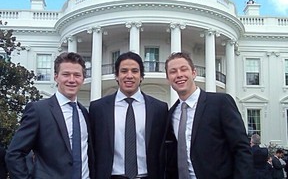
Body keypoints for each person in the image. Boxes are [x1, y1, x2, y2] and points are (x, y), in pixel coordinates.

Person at [164, 52, 254, 179]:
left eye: (184, 69)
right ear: (168, 79)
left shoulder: (220, 103)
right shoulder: (171, 114)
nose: (179, 75)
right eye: (173, 71)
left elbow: (242, 149)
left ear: (194, 73)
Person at [5, 52, 95, 179]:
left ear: (83, 79)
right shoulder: (38, 110)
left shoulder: (84, 113)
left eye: (77, 75)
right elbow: (14, 153)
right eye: (66, 74)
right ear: (56, 77)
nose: (71, 79)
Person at [89, 51, 168, 179]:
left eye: (135, 71)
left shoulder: (159, 109)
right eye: (124, 71)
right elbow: (92, 149)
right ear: (116, 76)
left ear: (141, 76)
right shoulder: (98, 109)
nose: (129, 76)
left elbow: (164, 150)